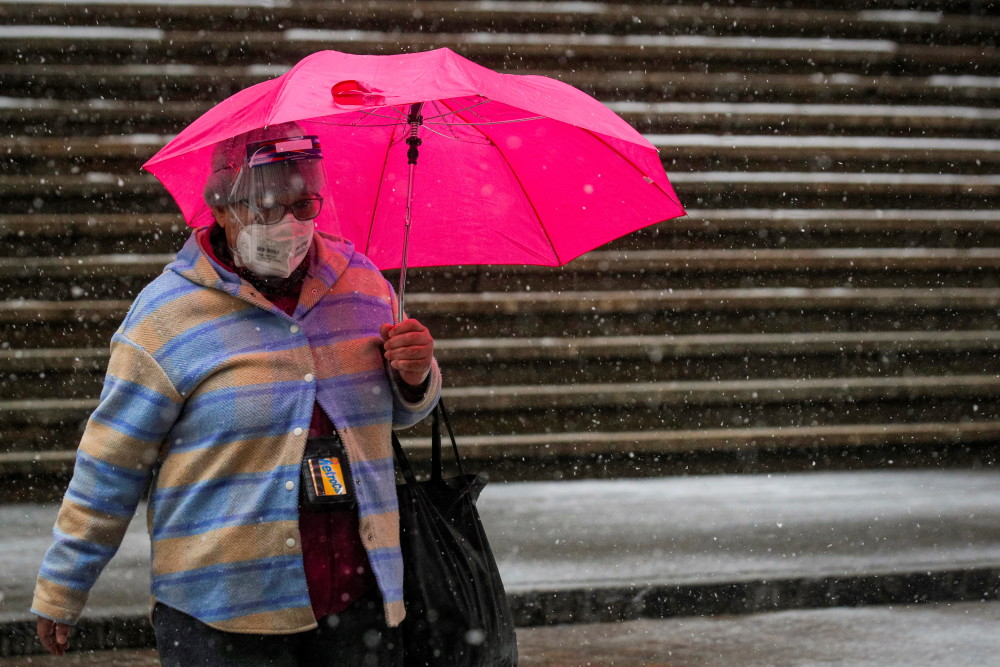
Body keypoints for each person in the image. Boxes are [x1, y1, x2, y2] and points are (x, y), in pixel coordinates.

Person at [32, 123, 441, 665]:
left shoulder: (363, 286)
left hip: (358, 605)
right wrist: (64, 584)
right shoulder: (166, 316)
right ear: (221, 210)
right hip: (220, 615)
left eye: (304, 204)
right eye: (266, 207)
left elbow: (394, 414)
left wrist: (415, 378)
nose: (289, 224)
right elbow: (111, 463)